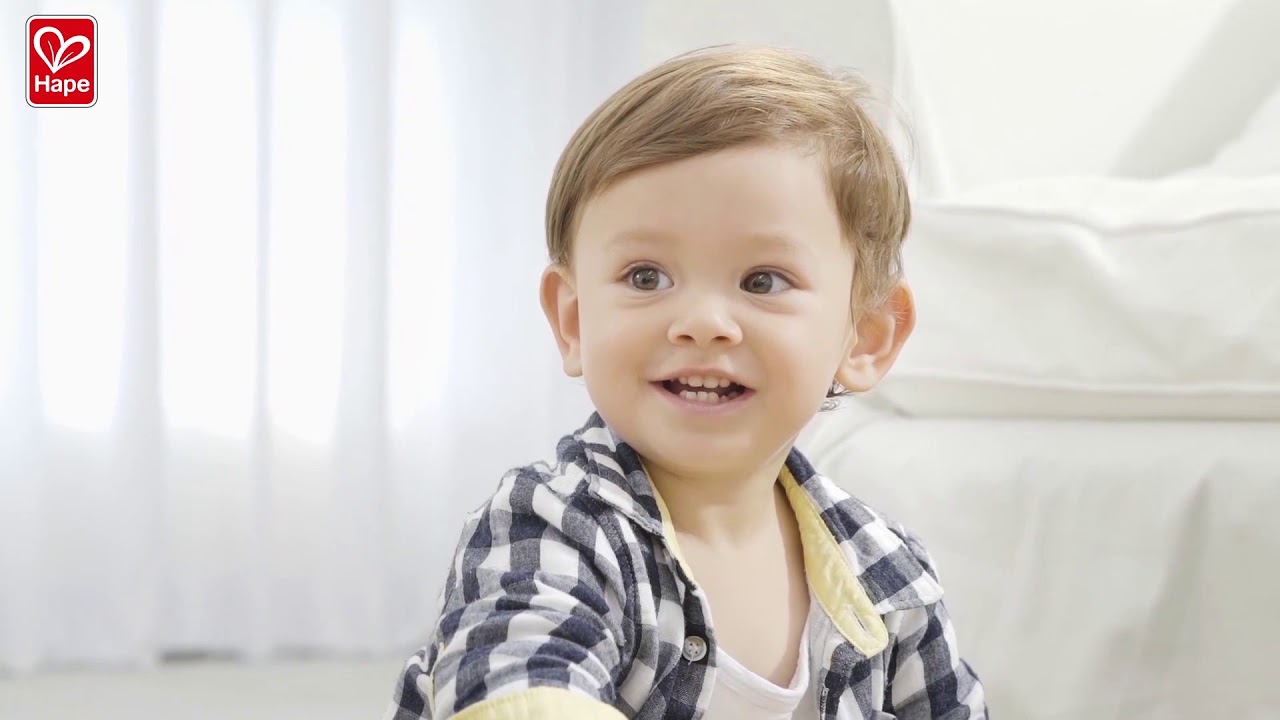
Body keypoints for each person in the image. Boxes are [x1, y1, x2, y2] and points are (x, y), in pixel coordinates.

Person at [384, 44, 987, 720]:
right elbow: (525, 694)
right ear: (575, 320)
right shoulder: (552, 526)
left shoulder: (887, 575)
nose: (702, 323)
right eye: (647, 277)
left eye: (763, 281)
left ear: (866, 335)